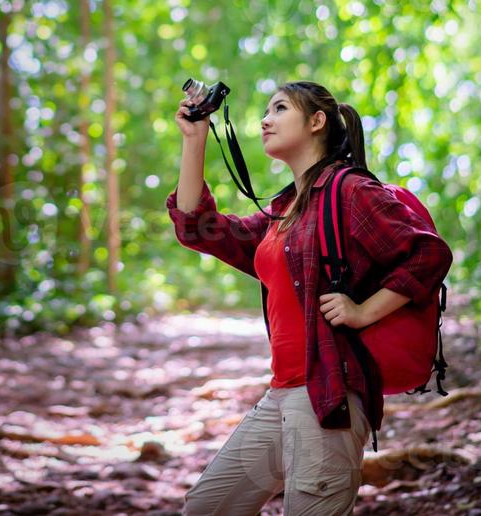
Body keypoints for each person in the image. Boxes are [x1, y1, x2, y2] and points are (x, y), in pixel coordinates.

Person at [167, 81, 453, 515]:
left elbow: (428, 254)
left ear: (317, 121)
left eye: (279, 108)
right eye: (266, 110)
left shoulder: (350, 191)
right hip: (282, 395)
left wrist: (362, 312)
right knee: (207, 508)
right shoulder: (284, 209)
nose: (265, 119)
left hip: (328, 397)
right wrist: (195, 141)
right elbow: (200, 229)